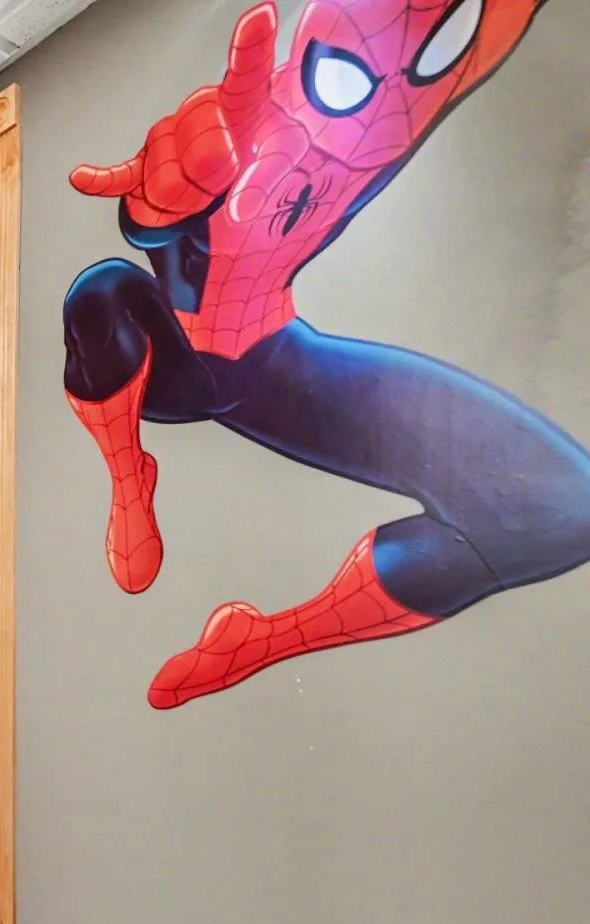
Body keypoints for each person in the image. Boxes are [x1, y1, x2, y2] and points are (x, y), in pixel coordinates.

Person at [62, 0, 590, 708]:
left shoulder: (419, 92)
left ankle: (264, 639)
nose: (394, 92)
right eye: (351, 72)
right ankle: (130, 475)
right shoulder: (253, 121)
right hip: (176, 360)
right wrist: (157, 208)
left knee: (565, 507)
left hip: (278, 360)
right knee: (100, 291)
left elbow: (477, 33)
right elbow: (172, 203)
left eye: (427, 60)